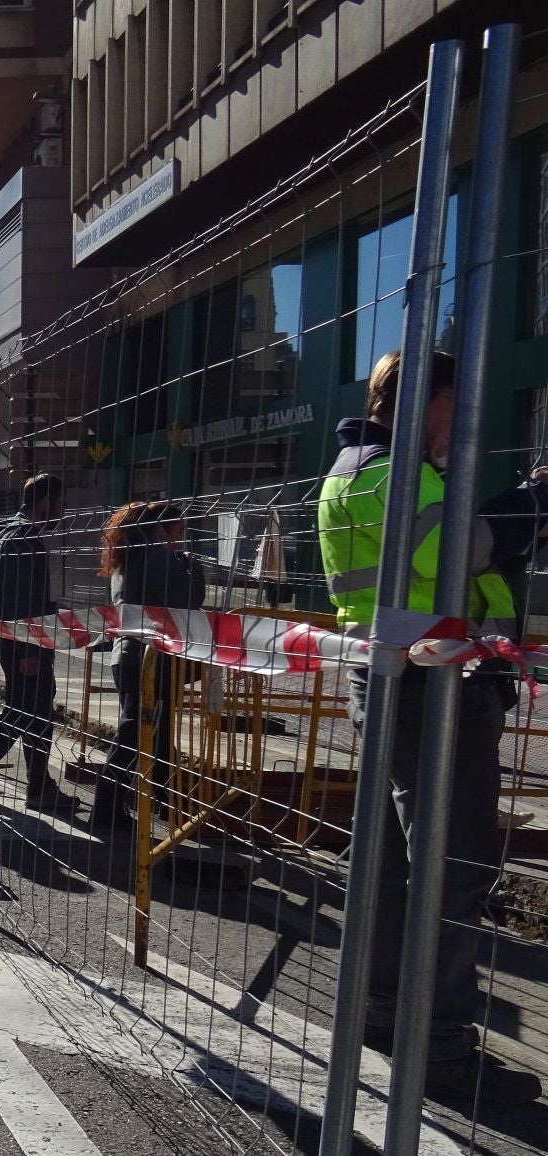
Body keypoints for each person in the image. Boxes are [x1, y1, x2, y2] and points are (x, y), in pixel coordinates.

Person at [319, 350, 547, 1104]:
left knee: (392, 859)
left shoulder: (356, 469)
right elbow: (458, 558)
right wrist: (529, 505)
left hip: (399, 674)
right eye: (460, 403)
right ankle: (437, 1036)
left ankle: (385, 1012)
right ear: (429, 397)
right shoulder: (396, 474)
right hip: (432, 680)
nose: (465, 425)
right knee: (452, 864)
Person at [0, 473, 78, 813]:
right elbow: (23, 603)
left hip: (17, 639)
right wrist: (31, 651)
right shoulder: (25, 540)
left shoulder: (13, 531)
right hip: (25, 643)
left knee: (35, 712)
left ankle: (39, 786)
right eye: (59, 502)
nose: (62, 509)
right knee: (24, 712)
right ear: (44, 502)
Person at [92, 501, 208, 826]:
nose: (181, 539)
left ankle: (165, 802)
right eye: (178, 531)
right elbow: (189, 596)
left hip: (132, 655)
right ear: (161, 529)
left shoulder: (130, 557)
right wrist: (192, 566)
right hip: (149, 658)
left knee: (153, 733)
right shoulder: (156, 556)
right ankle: (108, 810)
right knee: (134, 733)